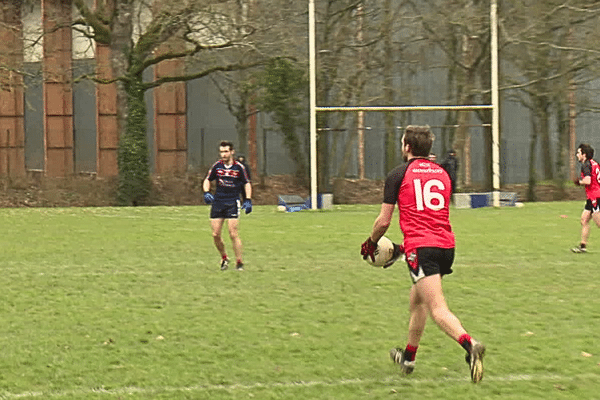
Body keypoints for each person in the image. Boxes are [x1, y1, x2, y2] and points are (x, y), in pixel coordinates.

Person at [360, 125, 485, 383]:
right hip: (446, 247)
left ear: (407, 147)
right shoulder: (443, 174)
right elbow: (429, 218)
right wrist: (401, 250)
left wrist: (371, 243)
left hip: (422, 249)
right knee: (417, 302)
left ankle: (469, 344)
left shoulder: (398, 174)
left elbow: (384, 221)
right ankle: (409, 357)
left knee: (438, 309)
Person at [203, 141, 252, 271]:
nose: (223, 154)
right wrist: (206, 192)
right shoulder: (217, 166)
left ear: (232, 152)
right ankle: (224, 258)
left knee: (233, 233)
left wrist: (247, 199)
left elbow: (246, 183)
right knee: (215, 234)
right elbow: (207, 179)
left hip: (232, 202)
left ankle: (239, 262)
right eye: (221, 152)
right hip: (218, 202)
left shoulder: (239, 167)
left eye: (226, 151)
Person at [571, 143, 600, 253]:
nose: (577, 155)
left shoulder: (586, 165)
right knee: (584, 220)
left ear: (584, 154)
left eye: (578, 153)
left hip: (595, 197)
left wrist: (578, 182)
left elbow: (588, 181)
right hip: (593, 196)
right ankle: (582, 247)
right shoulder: (594, 163)